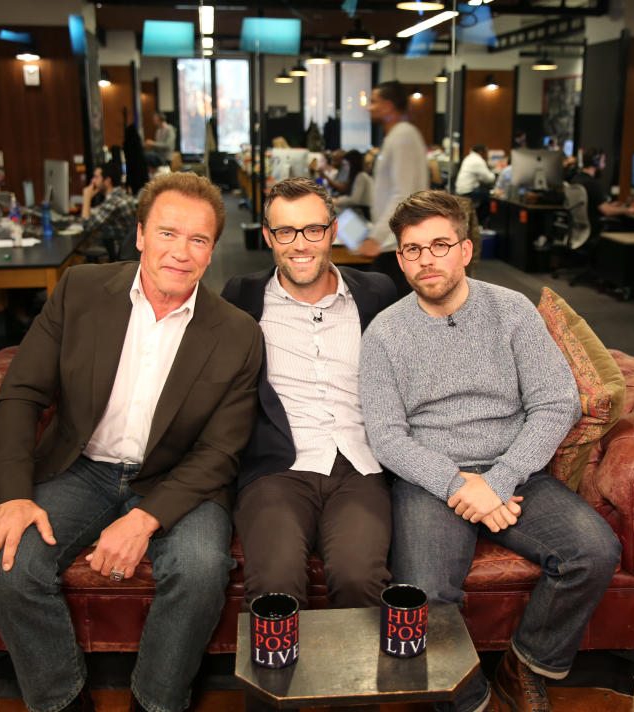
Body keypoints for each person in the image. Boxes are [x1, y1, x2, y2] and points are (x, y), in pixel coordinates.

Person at [0, 172, 264, 712]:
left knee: (201, 570)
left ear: (211, 252)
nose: (181, 252)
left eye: (198, 240)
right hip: (81, 467)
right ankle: (62, 701)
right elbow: (20, 394)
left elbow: (220, 452)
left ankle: (156, 703)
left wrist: (145, 517)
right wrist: (12, 493)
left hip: (178, 479)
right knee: (8, 564)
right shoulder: (81, 291)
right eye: (167, 233)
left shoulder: (238, 333)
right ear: (139, 235)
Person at [359, 190, 621, 712]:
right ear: (400, 259)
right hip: (429, 481)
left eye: (439, 244)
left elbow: (555, 402)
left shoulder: (511, 311)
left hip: (515, 470)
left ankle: (522, 665)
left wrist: (498, 480)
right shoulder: (384, 333)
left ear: (466, 250)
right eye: (412, 250)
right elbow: (386, 437)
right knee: (425, 596)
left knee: (593, 552)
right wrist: (461, 486)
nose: (426, 259)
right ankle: (469, 703)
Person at [222, 177, 396, 622]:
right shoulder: (241, 298)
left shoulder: (377, 294)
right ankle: (277, 693)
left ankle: (355, 694)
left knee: (360, 579)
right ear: (267, 237)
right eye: (285, 232)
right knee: (274, 586)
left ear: (333, 232)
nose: (300, 244)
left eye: (313, 230)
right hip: (277, 468)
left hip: (360, 465)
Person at [359, 80, 429, 297]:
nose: (370, 107)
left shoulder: (403, 136)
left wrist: (376, 238)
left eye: (374, 102)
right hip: (392, 241)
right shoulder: (396, 136)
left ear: (388, 106)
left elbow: (403, 194)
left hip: (396, 243)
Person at [571, 148, 634, 237]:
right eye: (603, 161)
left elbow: (591, 205)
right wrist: (628, 210)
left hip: (579, 229)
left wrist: (610, 205)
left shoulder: (576, 179)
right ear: (596, 162)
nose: (604, 165)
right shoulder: (592, 183)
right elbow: (607, 211)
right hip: (593, 228)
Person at [454, 143, 495, 224]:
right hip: (468, 192)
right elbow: (490, 179)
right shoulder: (478, 160)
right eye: (486, 152)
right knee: (492, 197)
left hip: (460, 190)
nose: (486, 155)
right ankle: (479, 222)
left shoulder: (469, 158)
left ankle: (477, 221)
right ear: (481, 152)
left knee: (485, 194)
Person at [333, 149, 373, 218]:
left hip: (363, 212)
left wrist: (338, 201)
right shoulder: (360, 175)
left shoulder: (361, 176)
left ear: (352, 164)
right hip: (360, 210)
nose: (345, 167)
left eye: (347, 164)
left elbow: (355, 200)